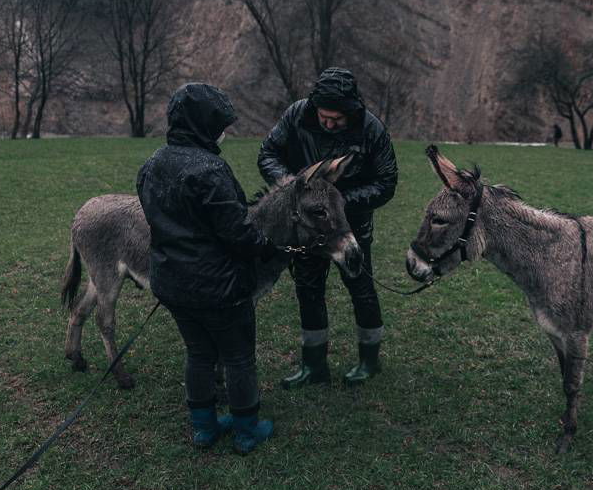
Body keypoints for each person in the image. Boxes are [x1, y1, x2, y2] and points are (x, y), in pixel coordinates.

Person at [137, 83, 277, 454]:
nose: (224, 131)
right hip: (220, 289)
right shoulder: (211, 170)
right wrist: (267, 246)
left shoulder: (152, 164)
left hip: (171, 284)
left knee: (198, 353)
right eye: (219, 123)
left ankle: (204, 426)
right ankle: (248, 429)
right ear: (203, 124)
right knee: (237, 356)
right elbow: (238, 231)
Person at [258, 67, 398, 388]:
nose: (330, 123)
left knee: (360, 288)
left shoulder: (371, 129)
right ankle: (313, 366)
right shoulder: (296, 115)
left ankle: (369, 361)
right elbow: (267, 154)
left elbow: (387, 182)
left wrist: (338, 200)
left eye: (337, 119)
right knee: (307, 290)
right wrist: (295, 188)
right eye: (324, 117)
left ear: (352, 110)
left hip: (351, 225)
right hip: (306, 226)